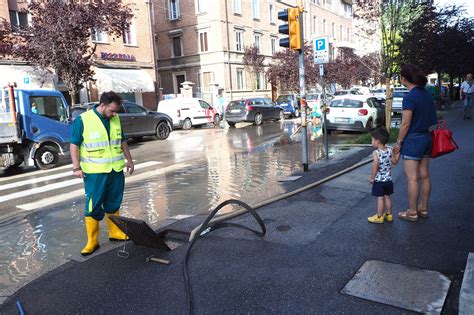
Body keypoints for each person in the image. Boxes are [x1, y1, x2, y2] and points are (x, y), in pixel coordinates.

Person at [70, 91, 134, 256]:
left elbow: (122, 140)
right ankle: (92, 241)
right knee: (93, 205)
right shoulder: (83, 120)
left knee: (114, 202)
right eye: (112, 110)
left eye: (116, 111)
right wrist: (76, 167)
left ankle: (115, 232)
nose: (114, 114)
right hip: (95, 173)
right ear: (103, 105)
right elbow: (74, 145)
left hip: (115, 170)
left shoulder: (115, 118)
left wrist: (130, 160)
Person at [394, 64, 437, 222]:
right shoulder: (426, 95)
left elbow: (405, 124)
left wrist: (398, 142)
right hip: (427, 137)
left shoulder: (410, 97)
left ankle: (412, 212)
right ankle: (423, 208)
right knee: (424, 175)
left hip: (413, 140)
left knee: (412, 178)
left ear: (403, 78)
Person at [368, 127, 400, 224]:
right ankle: (389, 215)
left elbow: (376, 165)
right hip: (389, 180)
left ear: (377, 141)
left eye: (372, 139)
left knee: (380, 198)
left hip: (379, 181)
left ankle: (379, 217)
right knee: (387, 197)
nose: (371, 141)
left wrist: (372, 177)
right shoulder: (390, 150)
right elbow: (394, 162)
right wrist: (398, 153)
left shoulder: (376, 152)